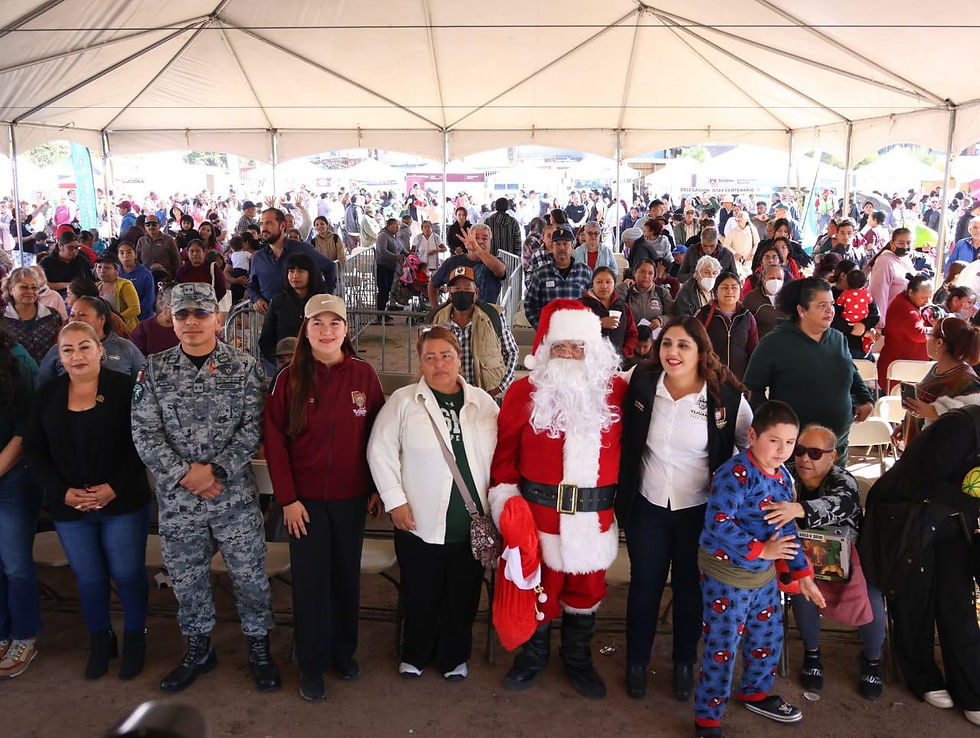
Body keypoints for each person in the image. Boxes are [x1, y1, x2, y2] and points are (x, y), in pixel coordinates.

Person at [131, 283, 279, 694]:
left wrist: (214, 471)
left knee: (250, 575)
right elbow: (144, 433)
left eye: (200, 314)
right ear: (171, 320)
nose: (192, 322)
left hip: (232, 497)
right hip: (180, 501)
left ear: (217, 318)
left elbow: (253, 428)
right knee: (186, 578)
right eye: (183, 315)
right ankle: (198, 648)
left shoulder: (246, 367)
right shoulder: (154, 370)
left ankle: (258, 647)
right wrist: (186, 474)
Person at [489, 300, 626, 699]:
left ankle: (577, 658)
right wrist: (508, 508)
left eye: (577, 347)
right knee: (539, 592)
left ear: (593, 350)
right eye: (560, 346)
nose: (568, 354)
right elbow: (504, 463)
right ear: (546, 349)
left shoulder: (617, 391)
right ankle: (532, 657)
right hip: (538, 518)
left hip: (595, 519)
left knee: (585, 594)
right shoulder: (522, 393)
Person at [617, 316, 751, 701]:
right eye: (666, 344)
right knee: (644, 585)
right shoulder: (641, 383)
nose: (672, 353)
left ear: (700, 351)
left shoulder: (725, 397)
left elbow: (748, 446)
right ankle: (637, 662)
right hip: (649, 505)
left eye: (683, 345)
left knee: (691, 588)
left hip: (700, 510)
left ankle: (683, 662)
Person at [263, 294, 383, 701]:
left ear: (346, 329)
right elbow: (275, 444)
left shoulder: (365, 376)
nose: (327, 331)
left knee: (345, 579)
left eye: (335, 324)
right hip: (304, 504)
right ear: (306, 330)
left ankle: (342, 652)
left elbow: (378, 438)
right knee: (312, 583)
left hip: (351, 500)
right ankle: (311, 664)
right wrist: (288, 499)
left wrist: (375, 488)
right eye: (318, 324)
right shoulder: (288, 378)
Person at [367, 326, 497, 682]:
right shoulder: (404, 402)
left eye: (446, 355)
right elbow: (380, 451)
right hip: (418, 520)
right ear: (421, 361)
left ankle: (454, 656)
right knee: (420, 593)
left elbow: (499, 457)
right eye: (430, 357)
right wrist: (395, 502)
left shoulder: (483, 403)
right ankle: (416, 653)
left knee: (463, 595)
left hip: (470, 523)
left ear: (459, 358)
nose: (439, 364)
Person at [24, 321, 151, 681]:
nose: (76, 355)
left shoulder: (127, 388)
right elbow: (33, 449)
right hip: (69, 505)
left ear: (100, 350)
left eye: (84, 347)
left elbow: (143, 443)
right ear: (59, 356)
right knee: (90, 577)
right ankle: (100, 638)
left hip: (122, 501)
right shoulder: (47, 393)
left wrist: (113, 487)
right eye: (68, 350)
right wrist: (61, 492)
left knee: (127, 574)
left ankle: (135, 636)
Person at [693, 401, 825, 737]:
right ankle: (708, 718)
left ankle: (755, 693)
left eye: (790, 443)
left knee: (767, 639)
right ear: (752, 435)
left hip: (763, 579)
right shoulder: (734, 475)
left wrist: (802, 575)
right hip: (726, 579)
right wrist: (761, 549)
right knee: (722, 648)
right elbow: (717, 523)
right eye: (774, 440)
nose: (783, 450)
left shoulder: (783, 477)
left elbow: (787, 528)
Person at [859, 407, 980, 727]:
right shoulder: (961, 428)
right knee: (916, 599)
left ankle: (972, 690)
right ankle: (923, 677)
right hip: (905, 515)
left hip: (951, 520)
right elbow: (924, 482)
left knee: (959, 604)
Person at [762, 424, 886, 701]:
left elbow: (839, 503)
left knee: (873, 596)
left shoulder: (844, 481)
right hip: (802, 557)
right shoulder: (786, 476)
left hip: (851, 558)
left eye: (816, 453)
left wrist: (798, 508)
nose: (805, 458)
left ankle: (873, 659)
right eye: (801, 451)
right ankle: (812, 653)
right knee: (801, 592)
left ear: (833, 455)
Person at [743, 278, 873, 461]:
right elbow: (751, 388)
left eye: (831, 304)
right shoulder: (774, 343)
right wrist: (772, 426)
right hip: (794, 453)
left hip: (837, 445)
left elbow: (852, 372)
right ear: (801, 310)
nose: (830, 310)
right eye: (822, 305)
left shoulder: (838, 339)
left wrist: (866, 399)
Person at [0, 329, 40, 679]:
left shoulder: (16, 357)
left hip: (12, 474)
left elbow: (28, 424)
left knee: (14, 563)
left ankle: (23, 635)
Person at [428, 266, 518, 399]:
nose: (462, 292)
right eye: (457, 289)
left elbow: (512, 352)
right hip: (447, 394)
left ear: (476, 292)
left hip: (484, 395)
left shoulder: (493, 315)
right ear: (450, 293)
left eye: (467, 288)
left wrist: (500, 387)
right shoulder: (437, 318)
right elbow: (426, 356)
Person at [901, 316, 980, 442]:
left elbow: (972, 416)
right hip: (919, 448)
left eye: (930, 334)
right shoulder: (936, 368)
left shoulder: (967, 379)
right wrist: (904, 425)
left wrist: (933, 412)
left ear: (939, 343)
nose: (927, 339)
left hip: (941, 453)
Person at [36, 296, 145, 385]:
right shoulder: (58, 349)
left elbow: (145, 383)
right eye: (72, 315)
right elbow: (43, 387)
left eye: (82, 315)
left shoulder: (125, 347)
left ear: (101, 319)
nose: (75, 320)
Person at [249, 208, 336, 314]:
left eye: (269, 223)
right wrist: (256, 299)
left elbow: (329, 267)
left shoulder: (302, 250)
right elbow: (252, 285)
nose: (263, 228)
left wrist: (324, 298)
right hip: (271, 319)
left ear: (282, 226)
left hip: (303, 317)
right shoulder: (258, 257)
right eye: (262, 224)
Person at [258, 253, 326, 365]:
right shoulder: (278, 301)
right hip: (285, 366)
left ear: (311, 274)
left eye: (300, 271)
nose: (294, 275)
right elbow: (266, 339)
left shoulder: (322, 302)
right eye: (291, 271)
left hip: (317, 365)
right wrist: (280, 361)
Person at [523, 229, 592, 328]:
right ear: (552, 248)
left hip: (579, 332)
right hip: (550, 334)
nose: (561, 248)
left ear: (572, 248)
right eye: (557, 244)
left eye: (565, 244)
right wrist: (542, 327)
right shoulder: (541, 274)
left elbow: (594, 302)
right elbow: (530, 304)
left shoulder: (585, 271)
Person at [696, 272, 759, 380]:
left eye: (734, 288)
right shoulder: (704, 315)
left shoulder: (747, 317)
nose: (730, 291)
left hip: (739, 380)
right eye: (725, 287)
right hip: (710, 378)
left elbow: (753, 351)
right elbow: (695, 346)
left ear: (740, 290)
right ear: (716, 291)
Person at [877, 274, 934, 392]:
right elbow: (919, 334)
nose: (927, 301)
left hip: (909, 371)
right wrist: (937, 330)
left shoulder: (911, 303)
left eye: (929, 297)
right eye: (924, 298)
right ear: (911, 292)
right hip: (899, 373)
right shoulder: (903, 306)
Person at [428, 224, 507, 308]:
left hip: (485, 318)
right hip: (455, 317)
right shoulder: (452, 262)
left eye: (485, 238)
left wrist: (477, 249)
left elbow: (500, 270)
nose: (480, 241)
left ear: (490, 243)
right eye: (476, 238)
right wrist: (436, 310)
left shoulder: (496, 262)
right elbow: (432, 284)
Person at [1, 267, 64, 364]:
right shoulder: (3, 320)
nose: (30, 292)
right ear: (11, 289)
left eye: (34, 287)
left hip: (50, 375)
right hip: (15, 376)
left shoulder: (53, 316)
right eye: (24, 287)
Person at [579, 266, 637, 360]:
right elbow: (573, 331)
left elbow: (632, 333)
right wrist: (598, 323)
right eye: (599, 282)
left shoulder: (622, 306)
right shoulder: (581, 305)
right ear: (592, 284)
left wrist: (624, 352)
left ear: (614, 284)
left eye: (608, 282)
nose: (604, 286)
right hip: (589, 362)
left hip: (617, 362)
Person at [868, 228, 915, 331]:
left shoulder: (906, 260)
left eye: (908, 243)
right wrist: (879, 325)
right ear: (892, 243)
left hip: (905, 318)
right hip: (890, 321)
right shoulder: (884, 262)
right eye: (901, 243)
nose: (905, 246)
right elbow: (879, 294)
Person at [615, 259, 673, 331]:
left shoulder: (662, 293)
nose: (646, 276)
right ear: (634, 273)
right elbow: (615, 307)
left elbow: (672, 315)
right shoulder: (626, 292)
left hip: (655, 338)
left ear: (654, 276)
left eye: (650, 273)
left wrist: (661, 320)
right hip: (630, 336)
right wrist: (623, 286)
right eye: (642, 272)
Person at [130, 283, 181, 357]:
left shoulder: (188, 328)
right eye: (174, 307)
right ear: (161, 305)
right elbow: (134, 358)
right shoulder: (144, 328)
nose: (179, 313)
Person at [95, 255, 141, 331]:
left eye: (107, 267)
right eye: (99, 267)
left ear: (116, 270)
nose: (102, 270)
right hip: (103, 329)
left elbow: (135, 309)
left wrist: (115, 319)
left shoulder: (125, 284)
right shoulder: (96, 286)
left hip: (124, 329)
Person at [40, 231, 93, 296]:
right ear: (60, 246)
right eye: (70, 247)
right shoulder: (46, 263)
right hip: (53, 297)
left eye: (76, 248)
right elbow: (42, 284)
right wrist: (67, 285)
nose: (74, 251)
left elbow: (90, 280)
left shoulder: (82, 260)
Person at [742, 264, 785, 340]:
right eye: (771, 278)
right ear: (763, 279)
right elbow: (744, 326)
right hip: (761, 345)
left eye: (779, 278)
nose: (775, 281)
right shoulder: (751, 298)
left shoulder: (789, 297)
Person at [117, 242, 156, 321]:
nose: (125, 256)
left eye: (129, 252)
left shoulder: (145, 274)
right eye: (121, 253)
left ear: (135, 255)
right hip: (120, 318)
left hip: (142, 318)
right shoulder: (115, 273)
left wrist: (134, 316)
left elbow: (149, 299)